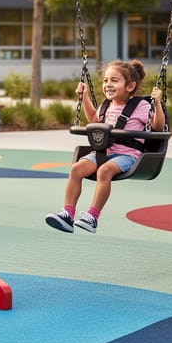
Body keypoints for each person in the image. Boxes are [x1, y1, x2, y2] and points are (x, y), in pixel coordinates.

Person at [46, 60, 165, 234]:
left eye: (114, 80)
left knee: (104, 171)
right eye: (105, 81)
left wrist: (157, 103)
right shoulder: (106, 104)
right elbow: (95, 120)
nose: (108, 84)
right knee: (77, 169)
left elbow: (158, 127)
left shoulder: (141, 106)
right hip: (103, 153)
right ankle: (67, 214)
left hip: (127, 156)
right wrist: (84, 96)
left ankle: (92, 217)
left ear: (130, 86)